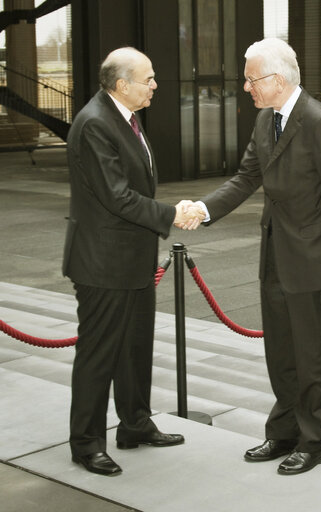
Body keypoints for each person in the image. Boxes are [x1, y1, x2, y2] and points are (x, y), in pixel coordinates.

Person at [187, 38, 321, 476]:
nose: (246, 87)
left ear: (277, 79)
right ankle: (283, 431)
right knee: (280, 351)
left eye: (251, 79)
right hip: (274, 255)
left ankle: (312, 441)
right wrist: (203, 209)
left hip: (311, 258)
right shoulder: (267, 121)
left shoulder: (320, 123)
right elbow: (246, 178)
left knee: (310, 352)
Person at [63, 47, 203, 476]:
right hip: (103, 264)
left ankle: (135, 425)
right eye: (149, 78)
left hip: (133, 260)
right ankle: (86, 444)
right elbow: (116, 196)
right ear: (122, 85)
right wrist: (171, 214)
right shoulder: (94, 124)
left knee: (135, 349)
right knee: (99, 354)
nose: (155, 85)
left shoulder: (122, 116)